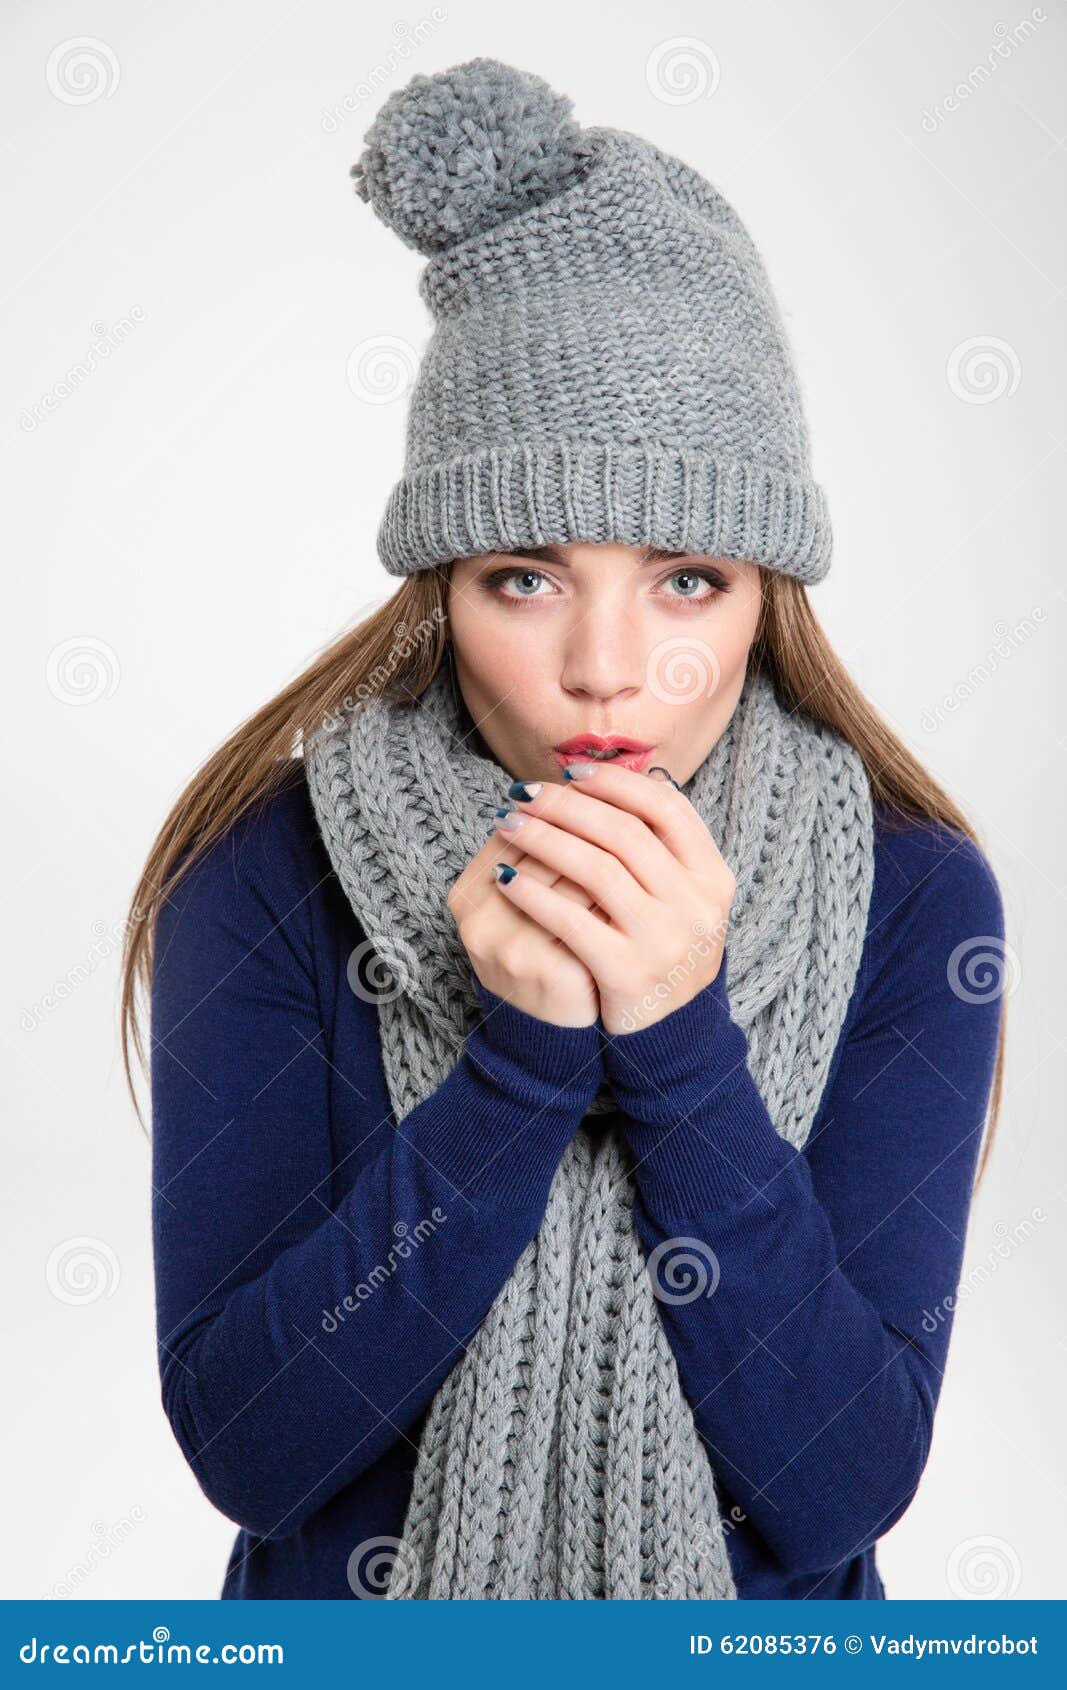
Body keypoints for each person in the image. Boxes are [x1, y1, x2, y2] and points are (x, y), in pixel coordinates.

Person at [122, 58, 1007, 1601]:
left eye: (688, 579)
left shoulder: (917, 891)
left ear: (766, 590)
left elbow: (847, 1482)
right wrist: (518, 1069)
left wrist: (677, 1048)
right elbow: (251, 1450)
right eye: (525, 575)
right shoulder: (265, 862)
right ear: (441, 581)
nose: (610, 667)